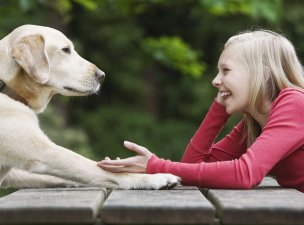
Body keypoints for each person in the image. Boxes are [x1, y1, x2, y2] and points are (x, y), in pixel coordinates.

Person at [98, 30, 304, 192]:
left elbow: (245, 174)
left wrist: (156, 166)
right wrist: (219, 110)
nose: (215, 81)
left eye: (226, 70)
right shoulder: (254, 123)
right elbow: (193, 166)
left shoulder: (294, 104)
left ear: (263, 73)